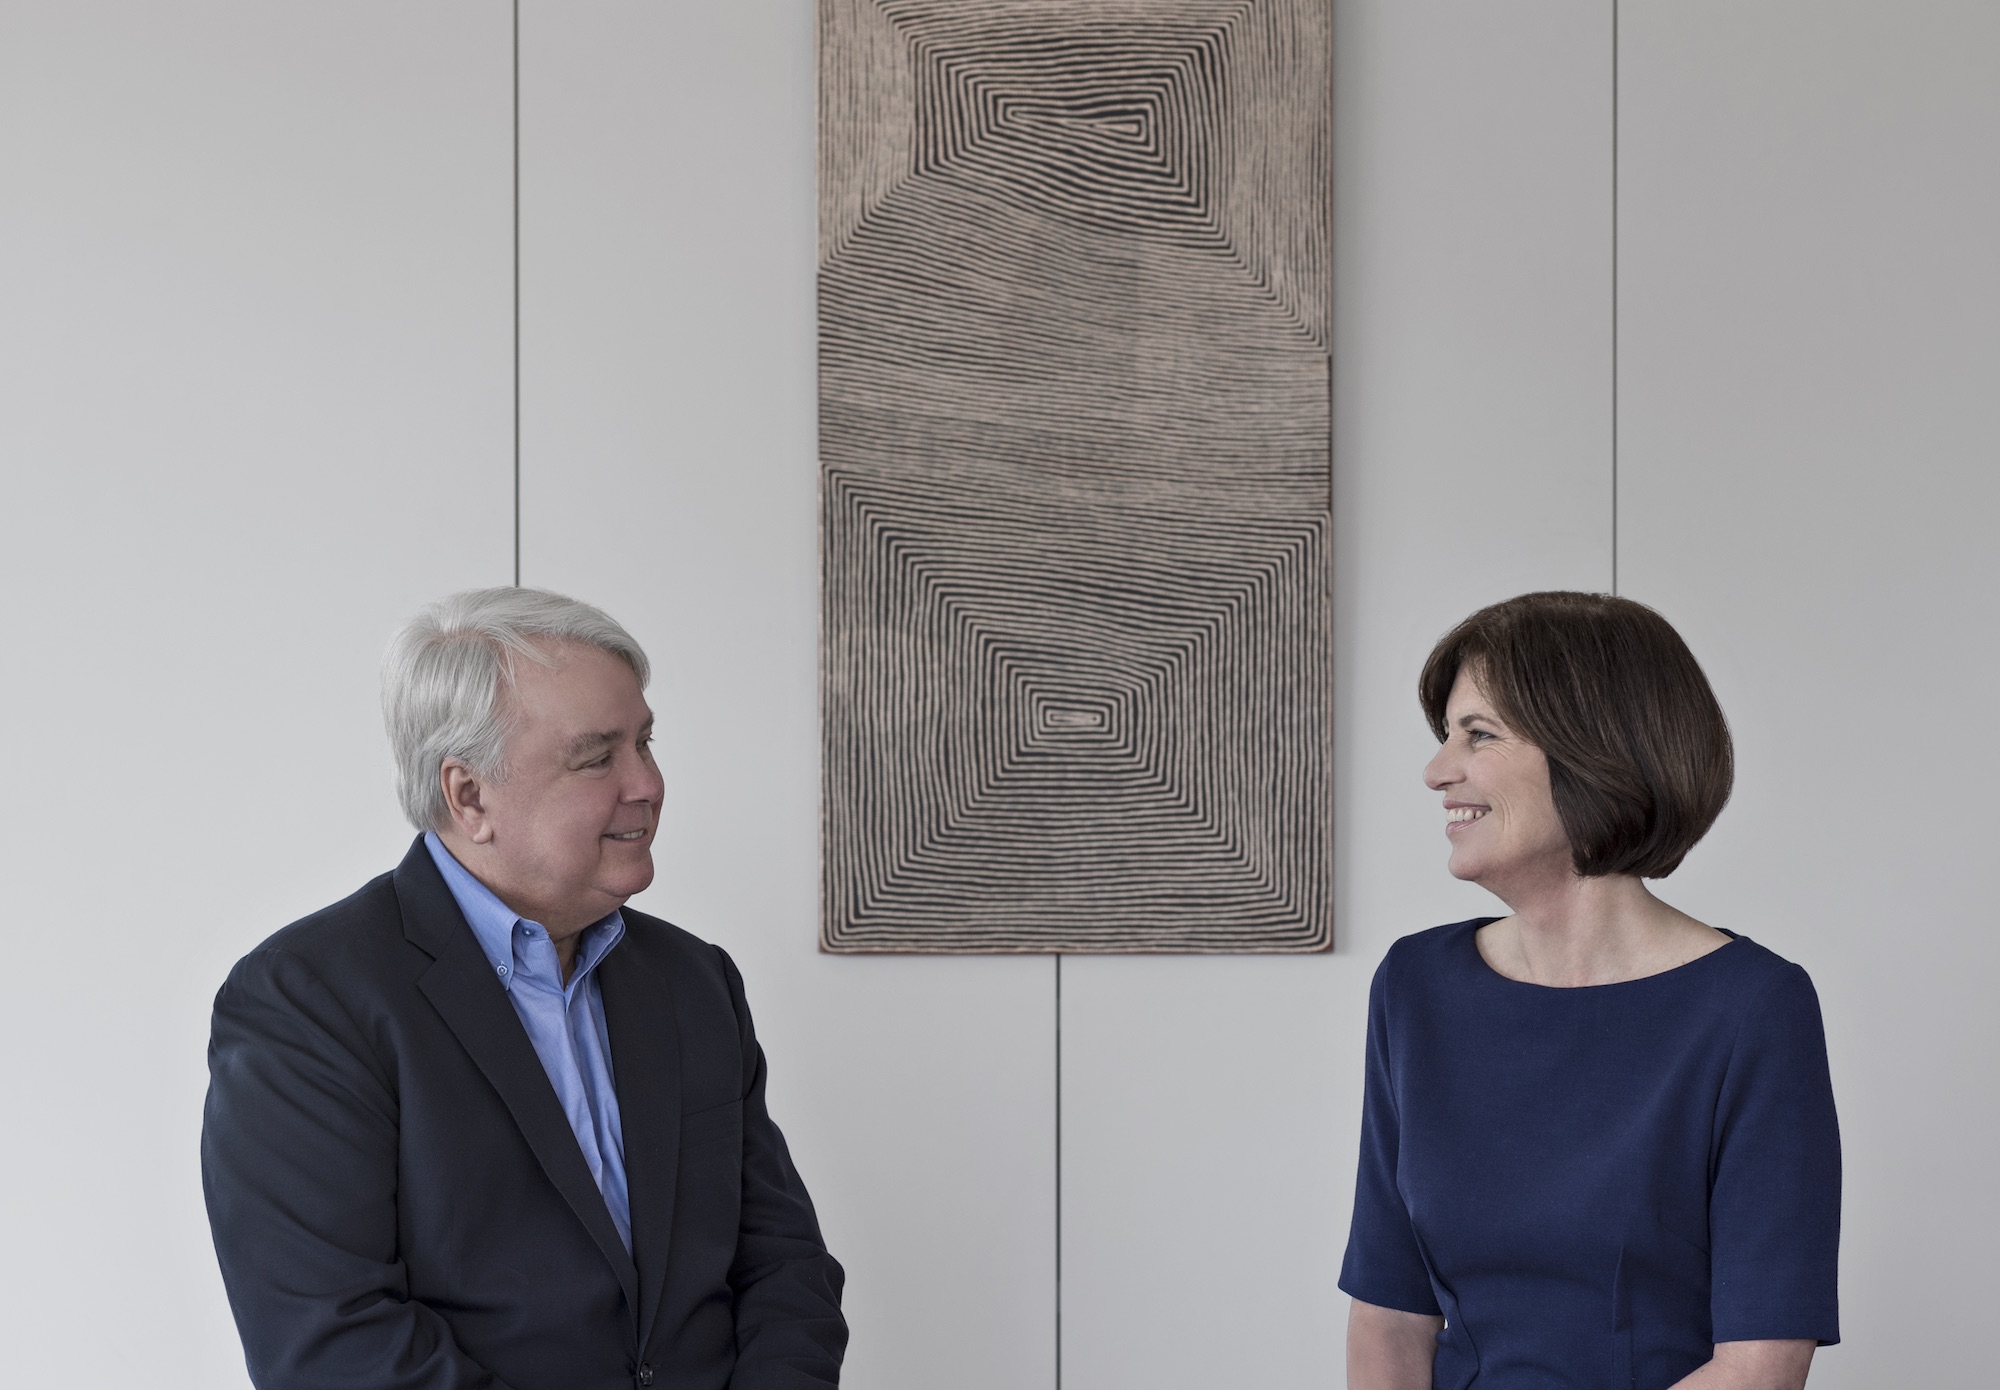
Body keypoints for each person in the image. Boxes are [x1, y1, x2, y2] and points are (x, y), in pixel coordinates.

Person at [202, 588, 846, 1390]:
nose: (647, 783)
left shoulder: (695, 981)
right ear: (469, 796)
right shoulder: (305, 1001)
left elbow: (785, 1267)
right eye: (597, 756)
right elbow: (334, 1346)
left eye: (646, 743)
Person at [1340, 591, 1839, 1390]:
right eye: (1445, 736)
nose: (1437, 772)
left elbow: (1760, 1364)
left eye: (1479, 734)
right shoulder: (1415, 987)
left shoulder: (1752, 1008)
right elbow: (1389, 1316)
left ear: (1593, 752)